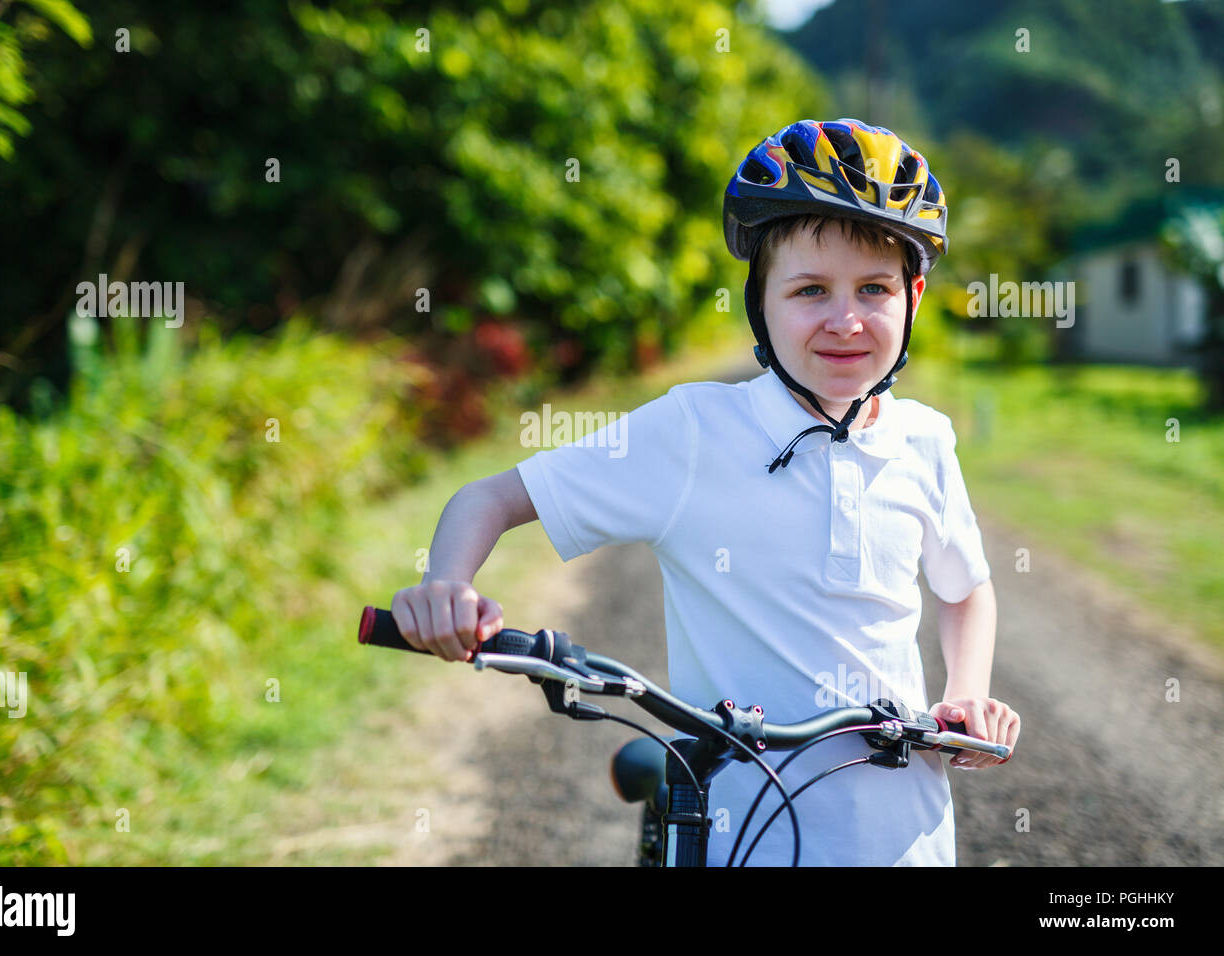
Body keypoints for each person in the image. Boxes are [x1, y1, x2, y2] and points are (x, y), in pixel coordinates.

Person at [390, 118, 1021, 866]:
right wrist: (447, 587)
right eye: (811, 289)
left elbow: (965, 589)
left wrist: (968, 693)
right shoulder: (694, 430)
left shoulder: (925, 438)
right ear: (761, 299)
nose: (845, 319)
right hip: (738, 837)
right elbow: (488, 498)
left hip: (908, 836)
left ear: (913, 296)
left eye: (875, 289)